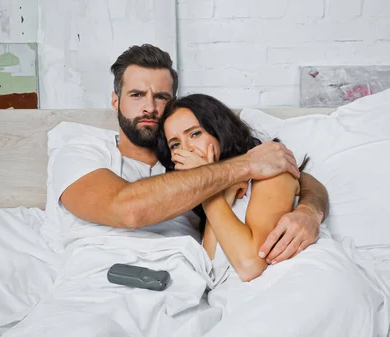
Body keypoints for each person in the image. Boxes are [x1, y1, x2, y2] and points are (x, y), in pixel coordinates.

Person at [55, 44, 329, 262]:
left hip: (185, 284)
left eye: (161, 97)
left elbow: (291, 172)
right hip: (104, 274)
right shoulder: (83, 151)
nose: (149, 107)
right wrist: (243, 166)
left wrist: (310, 210)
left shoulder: (187, 158)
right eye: (137, 95)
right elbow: (128, 211)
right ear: (115, 101)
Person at [155, 93, 309, 282]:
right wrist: (209, 188)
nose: (187, 149)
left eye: (195, 134)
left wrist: (206, 181)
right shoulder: (210, 202)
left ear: (219, 131)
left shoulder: (270, 173)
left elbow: (251, 265)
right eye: (175, 144)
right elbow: (212, 274)